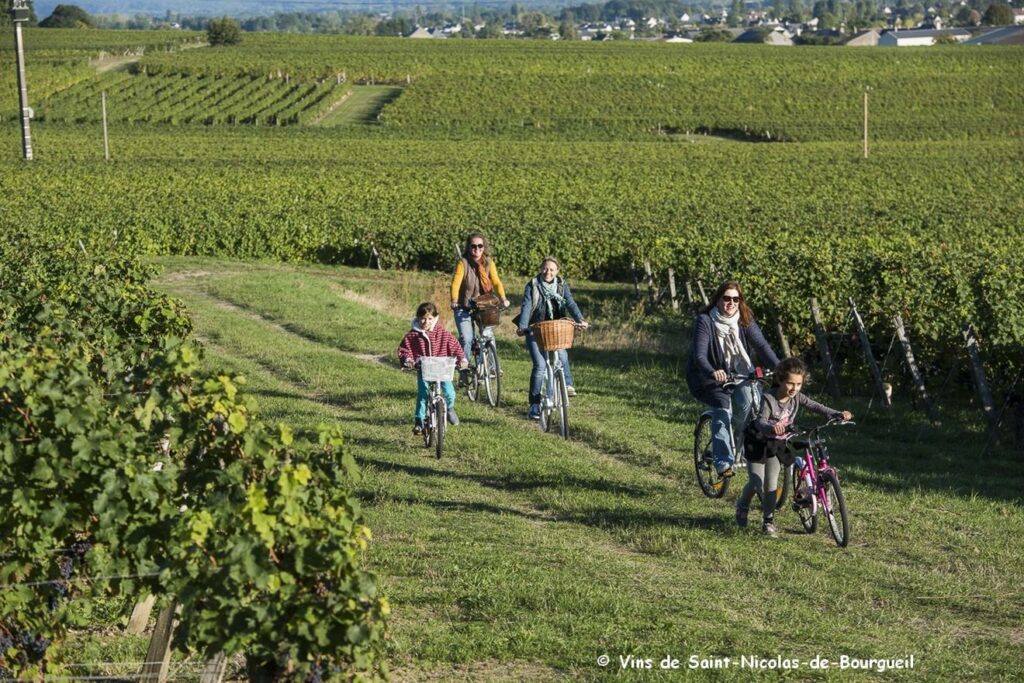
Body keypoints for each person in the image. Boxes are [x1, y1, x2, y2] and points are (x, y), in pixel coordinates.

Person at [736, 357, 853, 537]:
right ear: (780, 380)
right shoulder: (769, 397)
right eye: (790, 383)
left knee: (771, 484)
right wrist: (771, 427)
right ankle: (743, 505)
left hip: (776, 443)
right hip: (757, 441)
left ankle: (768, 522)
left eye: (798, 384)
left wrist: (836, 414)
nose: (794, 388)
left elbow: (815, 406)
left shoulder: (797, 397)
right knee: (756, 482)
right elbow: (760, 422)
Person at [685, 280, 780, 479]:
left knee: (748, 407)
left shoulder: (744, 319)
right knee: (723, 407)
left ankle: (736, 445)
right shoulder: (705, 321)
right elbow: (700, 355)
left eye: (735, 299)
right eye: (726, 298)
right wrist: (713, 372)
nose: (731, 303)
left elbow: (762, 347)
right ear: (718, 300)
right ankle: (723, 462)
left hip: (740, 374)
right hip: (707, 377)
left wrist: (782, 369)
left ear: (740, 301)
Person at [515, 257, 589, 420]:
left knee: (562, 356)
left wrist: (580, 319)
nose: (548, 272)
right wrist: (522, 326)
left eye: (552, 270)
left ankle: (567, 385)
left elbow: (570, 303)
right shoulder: (533, 285)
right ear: (541, 269)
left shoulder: (562, 285)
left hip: (557, 327)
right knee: (540, 365)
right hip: (535, 328)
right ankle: (534, 404)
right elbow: (526, 306)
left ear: (557, 272)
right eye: (545, 269)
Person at [398, 302, 468, 435]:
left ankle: (450, 409)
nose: (426, 321)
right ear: (418, 318)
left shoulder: (442, 333)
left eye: (429, 318)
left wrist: (462, 360)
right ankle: (419, 421)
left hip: (442, 369)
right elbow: (404, 349)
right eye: (423, 318)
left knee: (449, 392)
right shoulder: (414, 335)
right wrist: (408, 360)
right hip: (424, 369)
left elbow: (455, 346)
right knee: (423, 394)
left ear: (435, 318)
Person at [450, 232, 510, 386]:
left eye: (480, 246)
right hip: (464, 306)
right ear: (468, 247)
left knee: (488, 334)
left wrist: (503, 298)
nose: (476, 249)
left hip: (484, 305)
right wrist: (454, 300)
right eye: (473, 246)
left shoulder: (489, 263)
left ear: (484, 247)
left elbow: (496, 282)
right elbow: (456, 283)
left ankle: (491, 367)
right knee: (467, 338)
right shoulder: (463, 263)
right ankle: (463, 371)